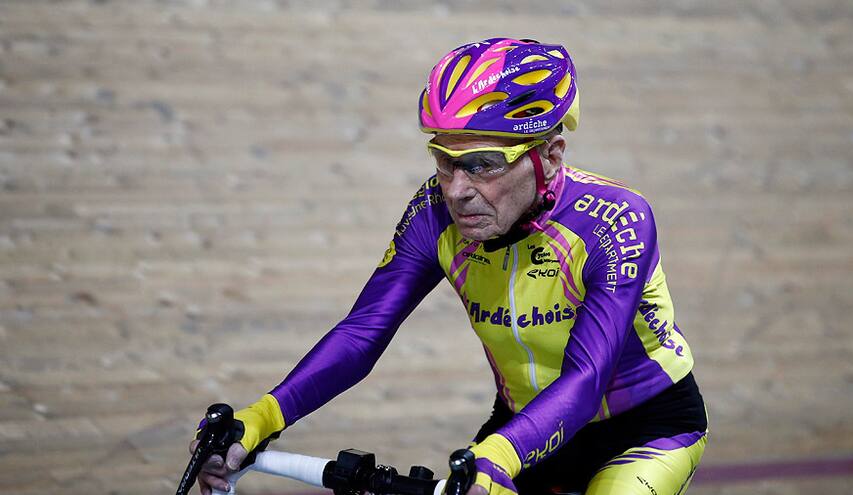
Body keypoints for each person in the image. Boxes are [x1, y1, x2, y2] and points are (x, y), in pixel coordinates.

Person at [191, 37, 708, 495]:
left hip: (644, 429)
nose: (458, 190)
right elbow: (363, 332)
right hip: (526, 427)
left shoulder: (615, 222)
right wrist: (260, 419)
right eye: (444, 161)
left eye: (482, 163)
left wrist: (500, 454)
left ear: (549, 157)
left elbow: (588, 375)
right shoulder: (433, 214)